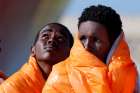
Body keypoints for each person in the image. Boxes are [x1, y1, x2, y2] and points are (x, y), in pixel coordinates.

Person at [42, 5, 137, 93]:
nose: (86, 46)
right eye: (82, 38)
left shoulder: (131, 81)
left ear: (113, 46)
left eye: (96, 40)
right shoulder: (59, 78)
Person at [0, 23, 73, 93]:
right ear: (33, 50)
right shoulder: (12, 87)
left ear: (69, 54)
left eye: (60, 38)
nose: (52, 40)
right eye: (45, 36)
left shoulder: (74, 87)